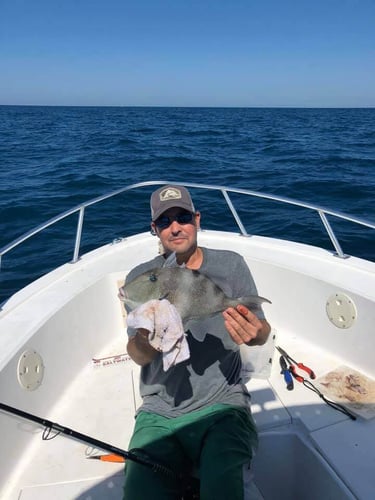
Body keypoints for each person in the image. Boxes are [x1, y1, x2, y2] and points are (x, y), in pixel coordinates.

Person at [123, 185, 271, 500]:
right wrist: (148, 341)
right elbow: (136, 354)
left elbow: (260, 331)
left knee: (224, 489)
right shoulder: (143, 277)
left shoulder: (230, 265)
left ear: (197, 219)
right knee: (140, 492)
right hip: (160, 408)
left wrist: (255, 333)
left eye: (183, 217)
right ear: (155, 230)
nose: (175, 227)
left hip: (224, 403)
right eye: (165, 222)